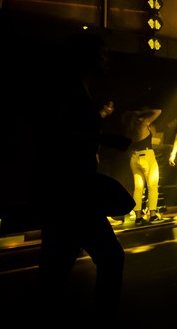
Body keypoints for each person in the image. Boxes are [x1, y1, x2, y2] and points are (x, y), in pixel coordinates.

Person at [36, 31, 132, 321]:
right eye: (102, 53)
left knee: (57, 262)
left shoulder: (75, 90)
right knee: (110, 257)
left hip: (66, 190)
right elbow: (53, 134)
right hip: (73, 190)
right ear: (86, 57)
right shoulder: (70, 91)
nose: (107, 59)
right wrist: (104, 138)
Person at [123, 105, 163, 225]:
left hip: (134, 157)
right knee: (152, 186)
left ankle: (138, 218)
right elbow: (158, 110)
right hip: (147, 156)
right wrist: (143, 113)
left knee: (138, 188)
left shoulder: (130, 127)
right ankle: (153, 215)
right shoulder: (144, 123)